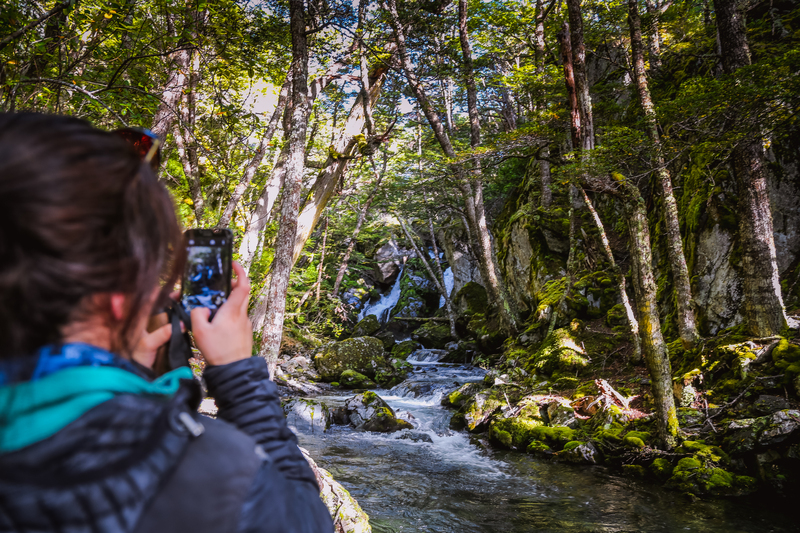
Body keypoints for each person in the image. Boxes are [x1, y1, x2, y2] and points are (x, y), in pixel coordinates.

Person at [0, 113, 334, 533]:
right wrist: (239, 378)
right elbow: (305, 519)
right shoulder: (209, 470)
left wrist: (125, 371)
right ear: (118, 299)